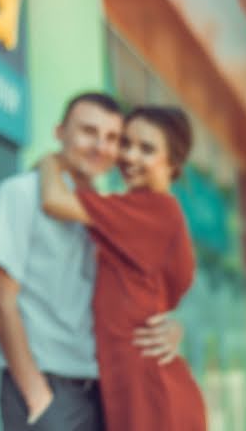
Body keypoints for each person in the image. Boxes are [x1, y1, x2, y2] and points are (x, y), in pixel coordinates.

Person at [0, 93, 186, 430]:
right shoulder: (19, 194)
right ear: (60, 132)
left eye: (112, 139)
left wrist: (173, 327)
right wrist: (37, 395)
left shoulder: (110, 210)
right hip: (49, 390)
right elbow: (1, 303)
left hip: (105, 391)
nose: (100, 146)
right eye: (88, 132)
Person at [39, 106, 207, 430]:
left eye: (147, 149)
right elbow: (177, 286)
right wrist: (176, 323)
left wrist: (50, 160)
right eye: (126, 144)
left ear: (172, 162)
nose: (129, 156)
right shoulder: (131, 209)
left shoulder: (155, 210)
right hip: (133, 382)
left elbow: (54, 200)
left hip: (150, 391)